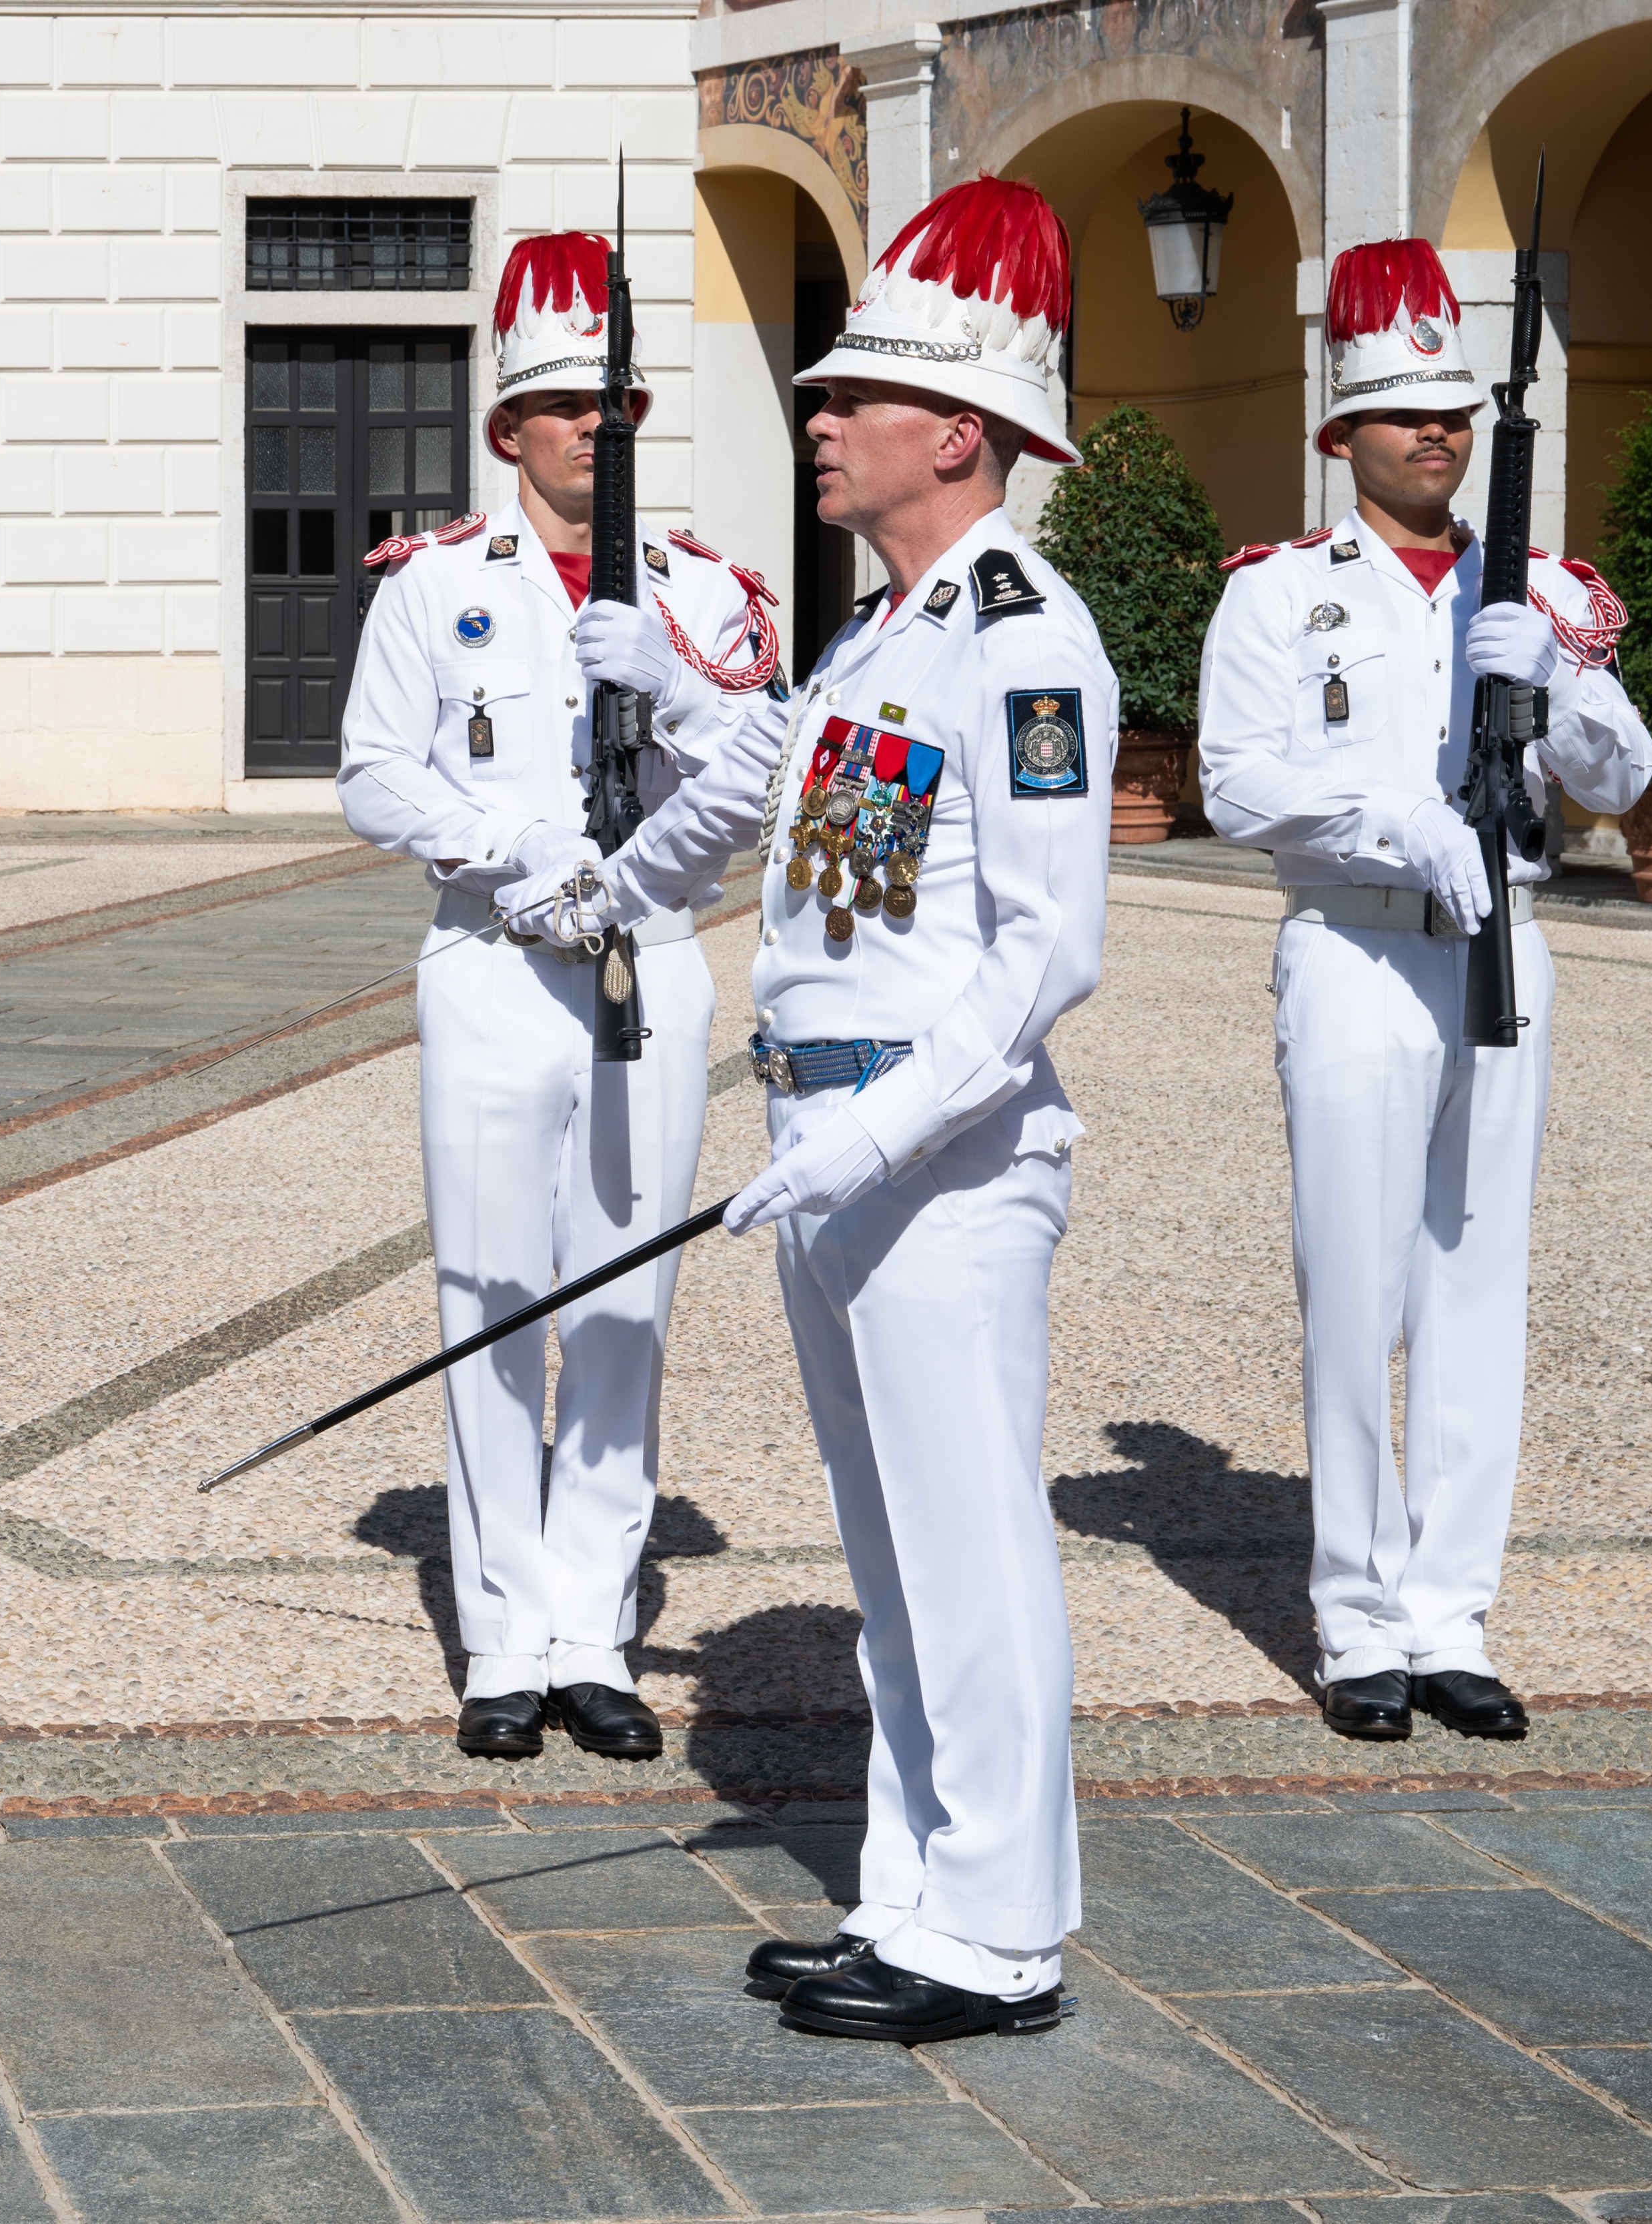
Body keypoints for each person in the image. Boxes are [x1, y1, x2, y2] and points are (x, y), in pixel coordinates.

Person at [579, 177, 1113, 2042]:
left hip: (939, 1157)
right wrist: (603, 892)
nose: (815, 422)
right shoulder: (879, 640)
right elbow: (752, 805)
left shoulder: (1022, 640)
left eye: (846, 400)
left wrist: (876, 1135)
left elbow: (1046, 953)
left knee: (970, 1544)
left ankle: (1005, 1929)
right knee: (894, 1558)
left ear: (949, 432)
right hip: (835, 1145)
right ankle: (918, 1893)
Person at [1197, 237, 1652, 1746]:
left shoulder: (1531, 588)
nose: (1434, 435)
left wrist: (1567, 681)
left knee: (1475, 1279)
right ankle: (1352, 1614)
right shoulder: (1280, 594)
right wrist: (1391, 823)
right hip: (1356, 941)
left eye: (1450, 414)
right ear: (1343, 437)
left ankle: (1451, 1610)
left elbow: (1625, 779)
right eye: (1402, 415)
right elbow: (1234, 776)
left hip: (1499, 942)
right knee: (1357, 1285)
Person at [337, 233, 781, 1763]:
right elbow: (373, 774)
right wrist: (502, 842)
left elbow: (771, 773)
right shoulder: (437, 583)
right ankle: (499, 1632)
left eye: (618, 406)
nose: (598, 428)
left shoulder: (702, 595)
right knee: (489, 1295)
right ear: (507, 430)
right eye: (565, 407)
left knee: (624, 1301)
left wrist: (677, 682)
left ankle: (592, 1624)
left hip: (643, 961)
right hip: (490, 959)